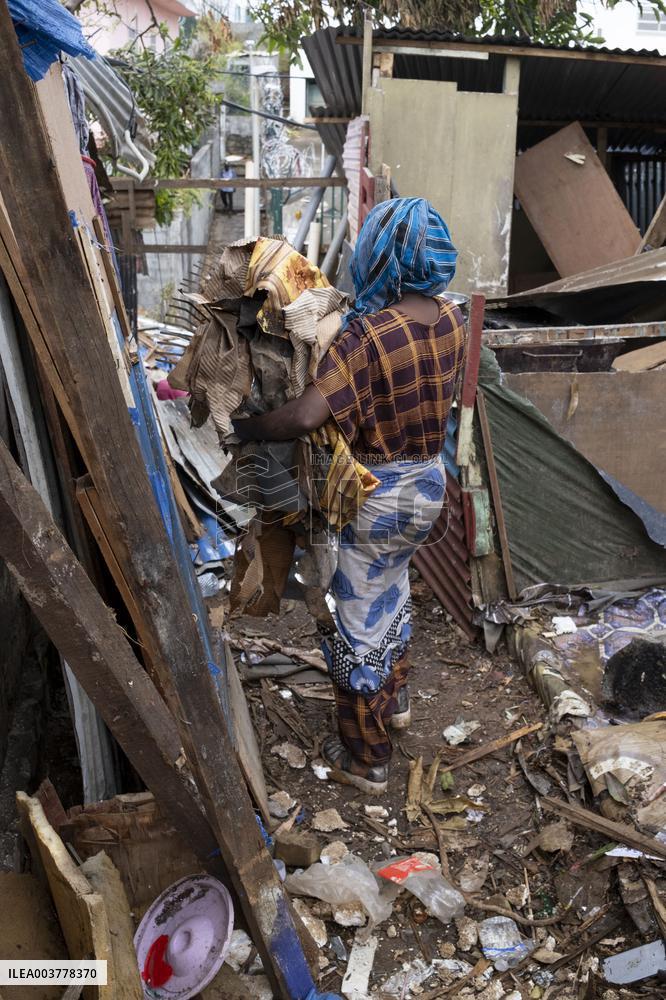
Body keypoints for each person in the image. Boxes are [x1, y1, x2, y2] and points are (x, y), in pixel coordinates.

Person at [233, 197, 467, 795]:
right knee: (391, 591)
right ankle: (399, 700)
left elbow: (309, 415)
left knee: (352, 620)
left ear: (383, 255)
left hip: (377, 495)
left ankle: (367, 758)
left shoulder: (368, 336)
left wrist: (252, 425)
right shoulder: (451, 319)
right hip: (429, 488)